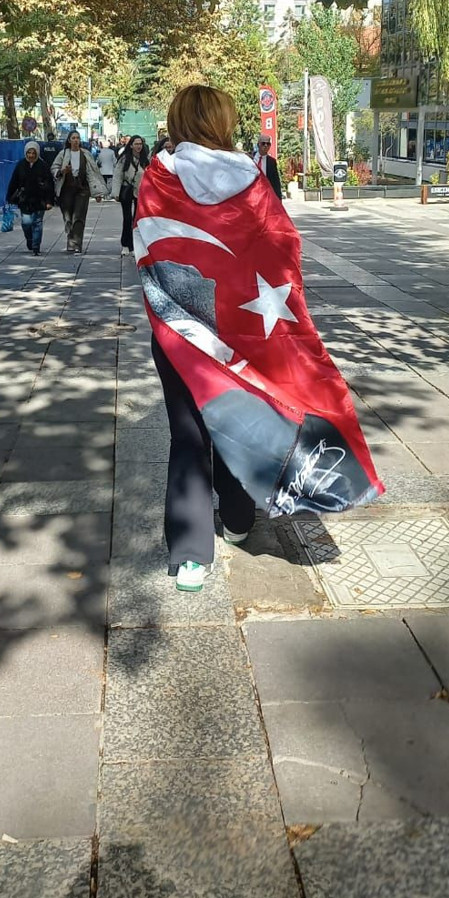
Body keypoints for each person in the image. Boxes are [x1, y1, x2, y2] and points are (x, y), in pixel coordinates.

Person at [133, 84, 383, 593]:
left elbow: (144, 242)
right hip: (247, 327)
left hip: (179, 330)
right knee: (239, 413)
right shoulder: (251, 178)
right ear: (223, 121)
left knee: (188, 434)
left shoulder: (159, 175)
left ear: (178, 120)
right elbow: (283, 243)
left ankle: (189, 555)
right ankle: (240, 516)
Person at [52, 130, 106, 253]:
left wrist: (97, 193)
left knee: (79, 217)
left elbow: (93, 173)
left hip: (82, 189)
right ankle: (71, 237)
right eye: (73, 138)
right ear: (69, 140)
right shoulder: (63, 154)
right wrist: (62, 172)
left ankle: (75, 244)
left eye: (78, 138)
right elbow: (54, 168)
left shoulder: (86, 154)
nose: (76, 140)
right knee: (68, 218)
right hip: (66, 190)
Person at [5, 141, 55, 256]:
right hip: (25, 200)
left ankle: (36, 246)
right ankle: (30, 239)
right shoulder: (21, 165)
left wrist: (49, 201)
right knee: (26, 223)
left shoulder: (43, 166)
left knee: (37, 222)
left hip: (40, 200)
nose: (31, 155)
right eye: (29, 153)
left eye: (33, 153)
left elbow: (49, 185)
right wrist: (9, 197)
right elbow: (14, 182)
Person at [112, 134, 148, 257]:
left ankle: (135, 245)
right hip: (126, 190)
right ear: (131, 145)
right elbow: (117, 175)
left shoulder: (145, 159)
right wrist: (115, 193)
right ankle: (125, 244)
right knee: (127, 219)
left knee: (136, 220)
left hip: (140, 192)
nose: (138, 146)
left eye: (140, 144)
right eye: (136, 144)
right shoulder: (124, 159)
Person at [253, 133, 282, 200]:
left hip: (265, 196)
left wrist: (278, 199)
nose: (265, 146)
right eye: (263, 143)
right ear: (258, 144)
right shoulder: (250, 158)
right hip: (251, 194)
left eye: (268, 144)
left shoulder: (272, 162)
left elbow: (275, 182)